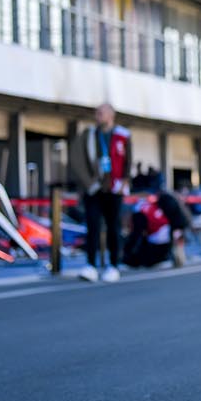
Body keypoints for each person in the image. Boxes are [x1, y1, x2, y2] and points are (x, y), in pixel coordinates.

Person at [69, 103, 132, 283]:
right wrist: (88, 183)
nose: (97, 116)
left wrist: (125, 181)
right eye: (96, 113)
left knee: (114, 227)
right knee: (93, 226)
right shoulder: (89, 135)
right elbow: (76, 159)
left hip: (115, 188)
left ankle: (113, 265)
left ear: (111, 115)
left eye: (101, 113)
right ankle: (91, 265)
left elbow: (128, 159)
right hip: (94, 188)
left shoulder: (122, 135)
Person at [122, 188, 191, 268]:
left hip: (159, 244)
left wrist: (126, 251)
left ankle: (173, 257)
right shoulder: (150, 207)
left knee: (136, 257)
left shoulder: (140, 214)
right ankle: (175, 256)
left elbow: (136, 235)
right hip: (166, 237)